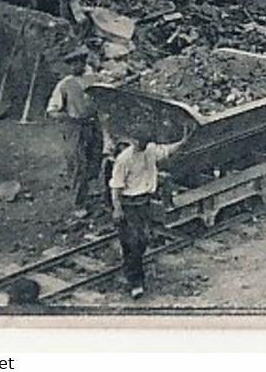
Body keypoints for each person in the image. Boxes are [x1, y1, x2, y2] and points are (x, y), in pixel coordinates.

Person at [109, 125, 190, 299]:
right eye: (141, 143)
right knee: (135, 242)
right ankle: (135, 283)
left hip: (143, 202)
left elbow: (167, 150)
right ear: (134, 142)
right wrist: (117, 209)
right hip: (128, 203)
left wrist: (183, 141)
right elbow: (116, 187)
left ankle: (130, 270)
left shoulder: (151, 150)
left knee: (141, 241)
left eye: (146, 142)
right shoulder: (124, 159)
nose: (144, 145)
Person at [45, 51, 103, 211]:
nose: (72, 67)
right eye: (70, 64)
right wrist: (68, 118)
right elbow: (52, 110)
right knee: (78, 164)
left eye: (76, 63)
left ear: (83, 63)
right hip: (75, 128)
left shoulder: (96, 79)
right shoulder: (64, 85)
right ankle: (79, 203)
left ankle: (91, 192)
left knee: (95, 160)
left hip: (95, 125)